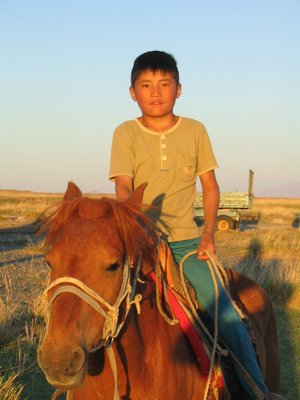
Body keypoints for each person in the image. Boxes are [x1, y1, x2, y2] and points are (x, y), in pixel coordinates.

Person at [109, 50, 270, 399]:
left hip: (185, 244)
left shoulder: (195, 130)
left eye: (164, 84)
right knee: (100, 304)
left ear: (178, 89)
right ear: (132, 92)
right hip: (140, 240)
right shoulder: (125, 133)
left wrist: (208, 233)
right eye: (146, 85)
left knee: (225, 316)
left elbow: (209, 186)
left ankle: (257, 391)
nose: (155, 92)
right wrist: (132, 223)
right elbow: (123, 185)